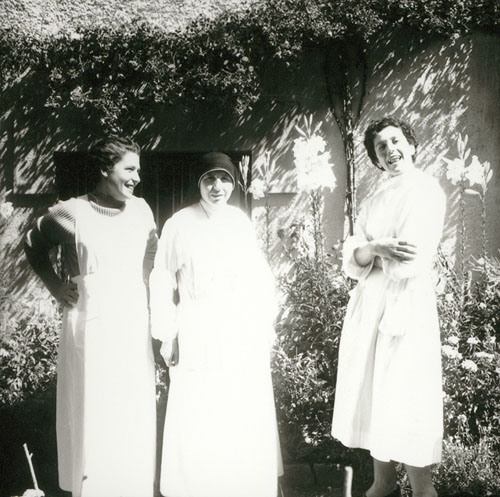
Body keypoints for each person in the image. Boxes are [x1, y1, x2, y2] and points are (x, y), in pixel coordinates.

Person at [24, 136, 157, 497]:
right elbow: (33, 243)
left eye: (139, 170)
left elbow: (150, 249)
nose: (137, 177)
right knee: (93, 406)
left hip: (131, 321)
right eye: (129, 169)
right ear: (104, 169)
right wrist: (55, 286)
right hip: (90, 323)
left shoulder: (142, 210)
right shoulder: (72, 212)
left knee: (130, 407)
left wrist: (141, 282)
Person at [150, 152, 282, 497]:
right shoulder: (179, 223)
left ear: (233, 184)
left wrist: (262, 325)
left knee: (236, 406)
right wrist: (167, 334)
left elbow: (258, 278)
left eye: (224, 179)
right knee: (198, 408)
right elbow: (162, 278)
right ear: (199, 184)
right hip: (196, 326)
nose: (217, 186)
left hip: (238, 328)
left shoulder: (240, 222)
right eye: (209, 179)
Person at [331, 117, 445, 497]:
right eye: (381, 147)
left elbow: (410, 259)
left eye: (396, 141)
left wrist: (371, 254)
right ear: (376, 159)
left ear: (411, 145)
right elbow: (351, 255)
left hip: (407, 306)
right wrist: (374, 248)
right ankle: (382, 484)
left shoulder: (426, 191)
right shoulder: (375, 199)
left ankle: (422, 489)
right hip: (371, 310)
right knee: (377, 394)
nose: (390, 150)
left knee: (406, 394)